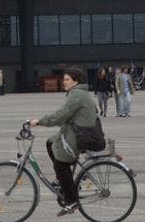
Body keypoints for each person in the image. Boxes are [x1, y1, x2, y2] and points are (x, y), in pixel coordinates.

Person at [27, 67, 98, 217]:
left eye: (67, 79)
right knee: (50, 142)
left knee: (60, 165)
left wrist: (39, 121)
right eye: (64, 79)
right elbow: (66, 114)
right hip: (77, 132)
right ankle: (63, 180)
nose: (63, 82)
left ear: (76, 81)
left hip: (79, 136)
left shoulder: (77, 95)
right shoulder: (78, 93)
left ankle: (72, 201)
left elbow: (61, 114)